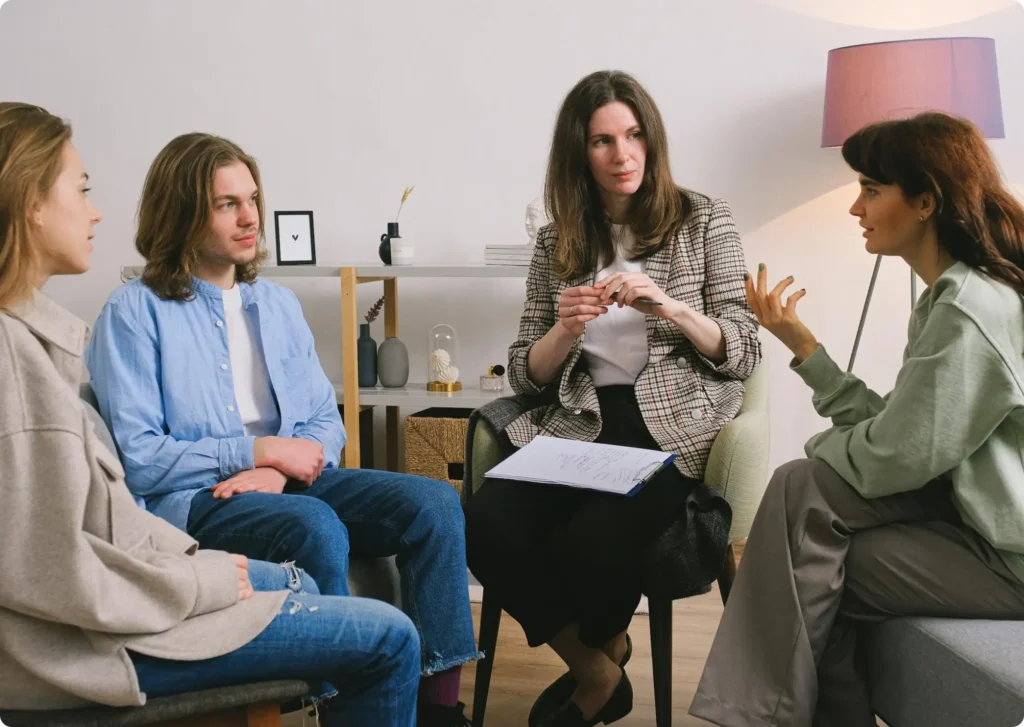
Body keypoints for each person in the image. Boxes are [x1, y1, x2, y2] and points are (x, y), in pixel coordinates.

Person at [0, 102, 419, 725]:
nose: (95, 211)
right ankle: (324, 700)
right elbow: (68, 570)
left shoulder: (41, 344)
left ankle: (427, 701)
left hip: (158, 572)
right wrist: (209, 578)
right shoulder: (58, 345)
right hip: (105, 638)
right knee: (376, 621)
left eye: (252, 199)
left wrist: (215, 555)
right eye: (81, 189)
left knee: (426, 506)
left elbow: (102, 531)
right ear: (31, 203)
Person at [84, 132, 477, 727]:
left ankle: (440, 710)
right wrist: (257, 450)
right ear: (183, 212)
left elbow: (324, 419)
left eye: (253, 199)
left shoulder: (277, 305)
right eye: (227, 204)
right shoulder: (133, 312)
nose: (250, 218)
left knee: (434, 503)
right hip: (194, 501)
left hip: (287, 477)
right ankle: (342, 701)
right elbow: (139, 458)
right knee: (312, 523)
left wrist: (272, 467)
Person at [689, 112, 1024, 727]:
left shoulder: (971, 310)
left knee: (803, 492)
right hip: (969, 522)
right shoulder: (950, 298)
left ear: (926, 201)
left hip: (1009, 558)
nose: (855, 208)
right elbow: (905, 433)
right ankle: (762, 713)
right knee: (808, 536)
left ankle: (755, 714)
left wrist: (823, 446)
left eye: (871, 190)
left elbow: (896, 456)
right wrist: (804, 347)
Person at [463, 70, 761, 727]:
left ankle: (603, 658)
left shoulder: (703, 219)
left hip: (670, 430)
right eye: (602, 141)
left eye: (632, 136)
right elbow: (524, 374)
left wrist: (672, 307)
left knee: (594, 536)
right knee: (484, 522)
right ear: (580, 153)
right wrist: (563, 329)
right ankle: (598, 668)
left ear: (650, 142)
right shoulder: (556, 241)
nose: (621, 154)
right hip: (580, 428)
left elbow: (743, 347)